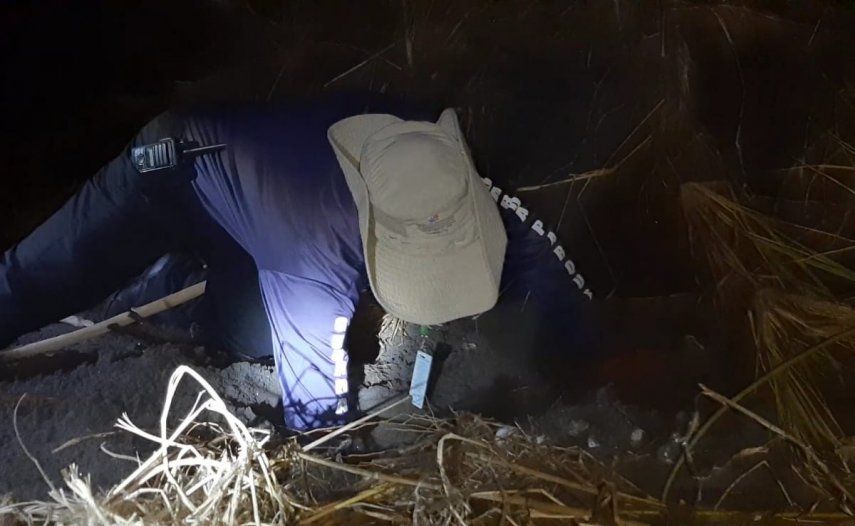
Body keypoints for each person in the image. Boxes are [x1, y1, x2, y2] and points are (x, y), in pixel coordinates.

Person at [0, 94, 592, 429]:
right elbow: (314, 410)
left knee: (249, 336)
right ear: (364, 226)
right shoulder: (315, 247)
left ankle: (184, 287)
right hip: (172, 171)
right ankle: (144, 285)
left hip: (258, 215)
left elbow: (537, 257)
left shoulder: (452, 182)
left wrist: (581, 347)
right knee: (48, 275)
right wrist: (335, 444)